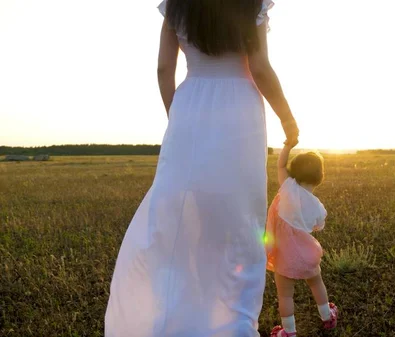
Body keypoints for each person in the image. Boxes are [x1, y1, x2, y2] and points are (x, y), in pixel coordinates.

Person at [104, 0, 299, 336]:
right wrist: (287, 118)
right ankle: (233, 322)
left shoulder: (178, 4)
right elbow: (260, 67)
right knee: (239, 217)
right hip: (239, 109)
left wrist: (178, 115)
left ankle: (175, 315)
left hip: (190, 103)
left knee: (180, 213)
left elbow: (164, 69)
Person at [264, 146, 338, 337]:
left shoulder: (287, 188)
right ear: (319, 177)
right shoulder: (318, 207)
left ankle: (288, 332)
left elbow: (280, 165)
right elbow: (317, 226)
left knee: (285, 295)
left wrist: (287, 146)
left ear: (293, 172)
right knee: (316, 283)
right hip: (306, 254)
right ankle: (327, 317)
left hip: (284, 256)